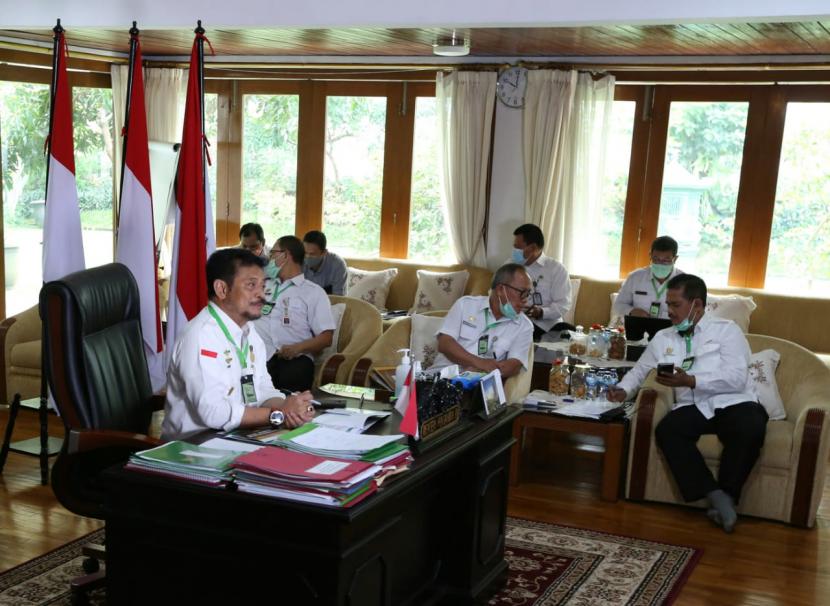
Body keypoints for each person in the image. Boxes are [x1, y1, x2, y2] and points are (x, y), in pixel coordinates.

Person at [607, 274, 767, 533]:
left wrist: (691, 380)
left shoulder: (727, 330)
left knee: (751, 426)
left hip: (733, 401)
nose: (669, 311)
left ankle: (728, 495)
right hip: (693, 406)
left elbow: (736, 378)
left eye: (675, 305)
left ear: (697, 306)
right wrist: (622, 390)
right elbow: (640, 371)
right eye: (667, 304)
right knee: (668, 430)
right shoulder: (664, 338)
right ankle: (715, 495)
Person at [162, 248, 314, 441]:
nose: (262, 294)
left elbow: (262, 388)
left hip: (237, 437)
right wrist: (278, 415)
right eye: (251, 285)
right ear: (222, 289)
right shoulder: (201, 335)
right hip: (193, 446)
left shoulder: (249, 331)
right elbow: (213, 413)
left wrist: (290, 408)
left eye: (263, 285)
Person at [254, 235, 336, 392]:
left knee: (289, 399)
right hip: (257, 356)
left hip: (294, 359)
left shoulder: (313, 292)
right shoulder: (262, 285)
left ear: (285, 255)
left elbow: (326, 338)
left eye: (273, 253)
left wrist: (298, 348)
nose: (270, 259)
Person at [432, 263, 534, 380]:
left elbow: (514, 365)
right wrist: (480, 363)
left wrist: (478, 372)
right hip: (440, 377)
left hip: (476, 386)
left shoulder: (524, 326)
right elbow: (445, 343)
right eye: (522, 293)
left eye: (528, 294)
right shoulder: (465, 304)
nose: (525, 301)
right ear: (501, 289)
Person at [510, 223, 571, 341]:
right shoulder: (510, 266)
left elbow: (563, 304)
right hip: (514, 321)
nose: (515, 251)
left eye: (518, 248)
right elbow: (497, 292)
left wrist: (541, 312)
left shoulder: (556, 269)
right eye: (514, 247)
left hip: (545, 326)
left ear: (533, 248)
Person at [613, 235, 683, 321]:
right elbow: (618, 306)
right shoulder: (635, 277)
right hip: (639, 329)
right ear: (650, 256)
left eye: (666, 260)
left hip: (671, 331)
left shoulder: (686, 282)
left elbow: (697, 312)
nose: (660, 264)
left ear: (675, 259)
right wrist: (632, 311)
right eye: (656, 259)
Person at [302, 230, 348, 295]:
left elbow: (339, 299)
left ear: (324, 253)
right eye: (305, 253)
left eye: (312, 254)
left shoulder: (338, 265)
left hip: (330, 302)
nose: (307, 256)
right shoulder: (298, 260)